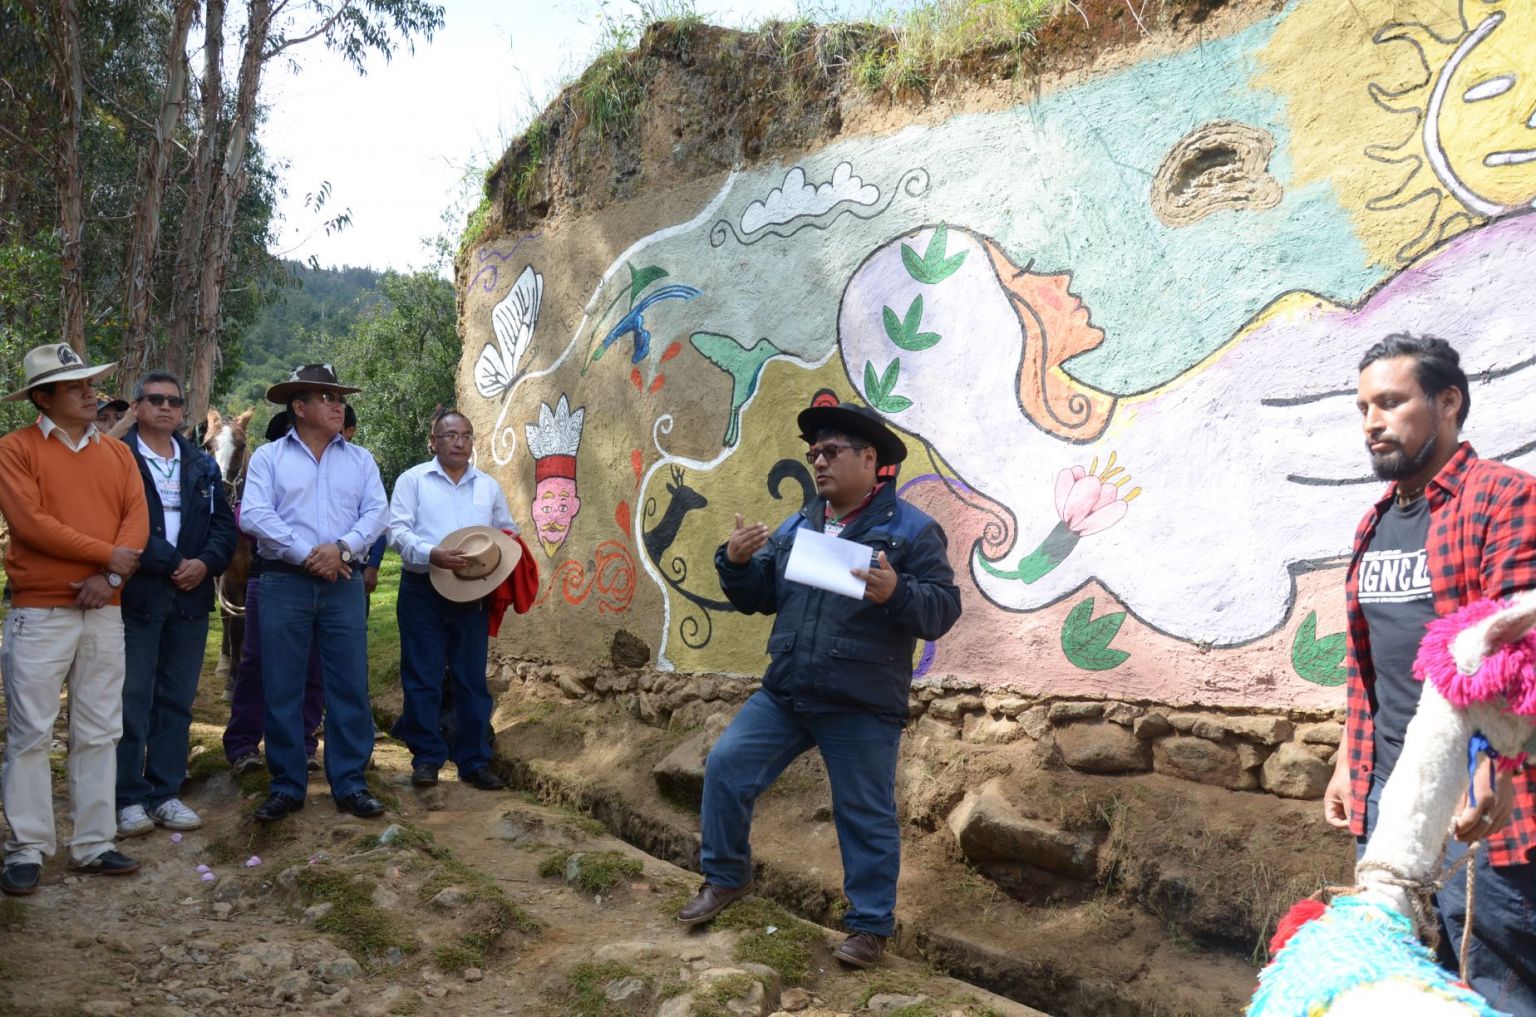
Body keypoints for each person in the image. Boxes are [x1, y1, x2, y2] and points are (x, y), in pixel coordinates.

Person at [678, 402, 962, 968]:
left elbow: (943, 609)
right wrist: (735, 563)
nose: (819, 462)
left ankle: (869, 927)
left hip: (860, 701)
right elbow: (759, 597)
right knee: (727, 767)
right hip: (787, 690)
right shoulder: (798, 525)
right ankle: (727, 877)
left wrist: (897, 592)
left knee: (863, 811)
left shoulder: (911, 531)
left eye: (831, 452)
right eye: (813, 454)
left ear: (869, 459)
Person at [1324, 333, 1536, 1013]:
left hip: (1476, 797)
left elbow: (1515, 653)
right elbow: (1371, 660)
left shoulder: (1503, 498)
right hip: (1388, 792)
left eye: (1390, 401)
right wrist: (1344, 762)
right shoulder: (1375, 520)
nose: (1371, 422)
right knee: (1401, 981)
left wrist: (1491, 769)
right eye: (1362, 407)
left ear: (1448, 401)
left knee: (1493, 980)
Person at [0, 344, 149, 896]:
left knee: (100, 728)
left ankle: (93, 842)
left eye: (90, 384)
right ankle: (28, 848)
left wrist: (110, 578)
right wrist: (105, 556)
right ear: (43, 398)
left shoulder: (116, 455)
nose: (92, 393)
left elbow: (137, 518)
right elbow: (31, 524)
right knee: (31, 732)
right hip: (39, 611)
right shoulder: (14, 451)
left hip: (103, 609)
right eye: (76, 386)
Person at [238, 364, 388, 822]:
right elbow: (254, 515)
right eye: (325, 397)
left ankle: (349, 782)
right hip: (285, 582)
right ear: (298, 407)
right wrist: (308, 554)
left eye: (338, 397)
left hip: (342, 584)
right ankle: (286, 784)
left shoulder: (360, 459)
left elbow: (377, 513)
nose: (337, 404)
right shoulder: (268, 458)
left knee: (348, 684)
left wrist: (341, 550)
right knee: (282, 684)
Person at [115, 371, 236, 836]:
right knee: (132, 698)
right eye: (155, 400)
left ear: (183, 411)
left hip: (190, 597)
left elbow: (224, 525)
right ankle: (127, 796)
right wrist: (172, 562)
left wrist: (205, 564)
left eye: (174, 401)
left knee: (177, 698)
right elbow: (117, 522)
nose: (165, 407)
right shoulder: (119, 457)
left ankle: (164, 792)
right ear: (137, 406)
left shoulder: (201, 464)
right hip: (138, 594)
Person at [388, 410, 517, 790]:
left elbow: (508, 528)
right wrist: (431, 553)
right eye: (450, 435)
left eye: (466, 435)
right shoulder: (413, 481)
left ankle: (474, 760)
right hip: (422, 590)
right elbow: (396, 531)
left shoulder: (487, 487)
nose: (459, 442)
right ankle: (426, 758)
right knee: (422, 677)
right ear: (433, 441)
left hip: (471, 592)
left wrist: (495, 556)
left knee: (471, 679)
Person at [221, 409, 325, 776]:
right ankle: (244, 744)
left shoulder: (327, 473)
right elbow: (247, 519)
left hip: (321, 578)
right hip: (267, 576)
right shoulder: (262, 471)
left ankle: (304, 743)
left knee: (312, 664)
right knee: (256, 663)